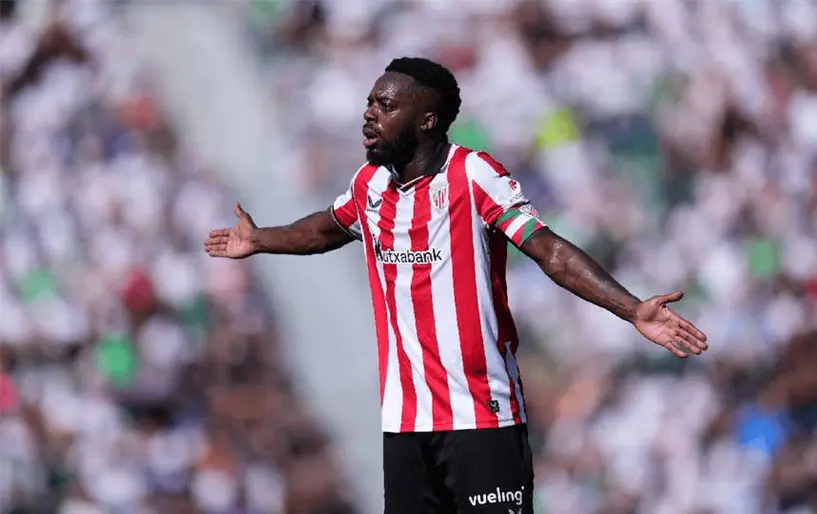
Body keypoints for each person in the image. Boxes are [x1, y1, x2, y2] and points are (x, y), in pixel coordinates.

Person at [204, 57, 708, 514]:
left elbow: (548, 250)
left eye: (386, 105)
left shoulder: (473, 175)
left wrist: (630, 308)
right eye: (370, 103)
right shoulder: (370, 186)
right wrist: (260, 239)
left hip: (481, 417)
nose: (369, 115)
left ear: (427, 120)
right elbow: (325, 229)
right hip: (405, 424)